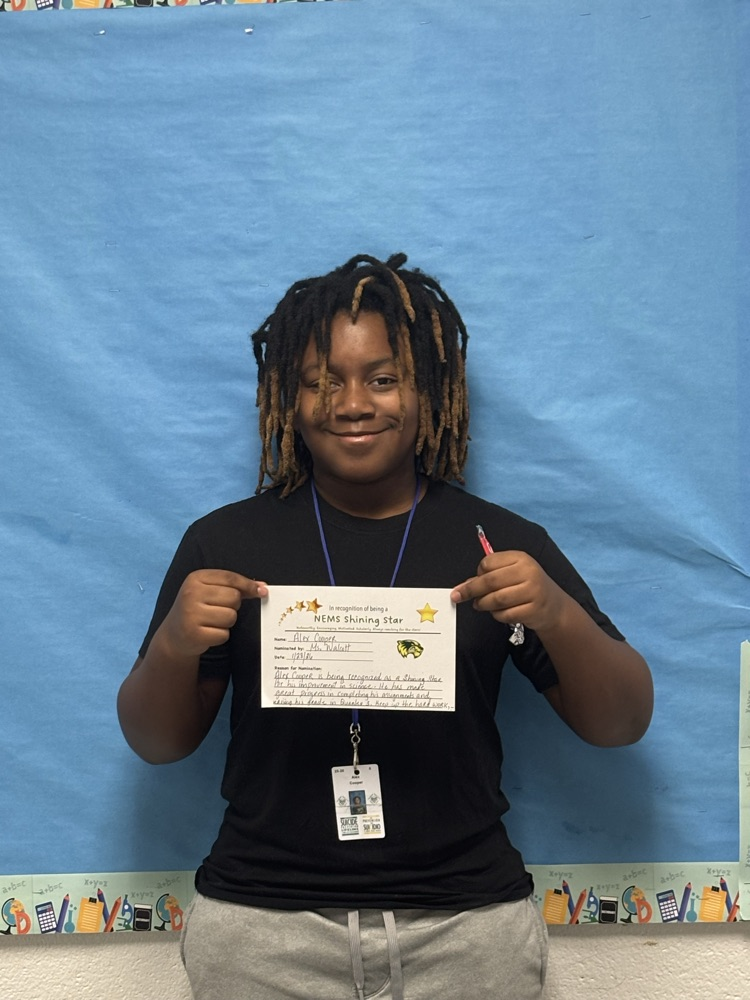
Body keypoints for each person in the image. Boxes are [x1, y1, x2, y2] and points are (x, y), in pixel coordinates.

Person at [117, 252, 653, 1000]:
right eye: (320, 381)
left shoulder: (497, 544)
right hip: (263, 930)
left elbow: (621, 723)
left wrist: (557, 614)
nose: (350, 403)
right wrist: (176, 644)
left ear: (428, 390)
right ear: (287, 397)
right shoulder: (223, 543)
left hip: (466, 929)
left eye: (382, 378)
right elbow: (156, 742)